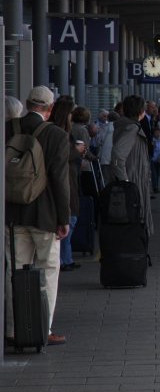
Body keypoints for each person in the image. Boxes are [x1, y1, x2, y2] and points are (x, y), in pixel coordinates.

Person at [4, 86, 70, 346]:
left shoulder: (9, 129)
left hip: (12, 213)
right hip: (45, 216)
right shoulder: (56, 134)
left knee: (14, 270)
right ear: (50, 108)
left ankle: (12, 328)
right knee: (48, 270)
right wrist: (63, 218)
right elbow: (59, 180)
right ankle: (43, 327)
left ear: (27, 103)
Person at [110, 95, 153, 237]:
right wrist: (126, 183)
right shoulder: (131, 129)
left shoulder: (125, 125)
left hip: (134, 178)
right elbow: (118, 156)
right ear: (140, 111)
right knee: (135, 220)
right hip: (133, 182)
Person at [49, 95, 83, 272]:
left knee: (71, 219)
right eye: (71, 113)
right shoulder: (59, 134)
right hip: (65, 183)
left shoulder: (57, 132)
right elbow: (60, 160)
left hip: (68, 182)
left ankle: (65, 258)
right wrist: (76, 152)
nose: (72, 117)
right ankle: (64, 260)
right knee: (69, 220)